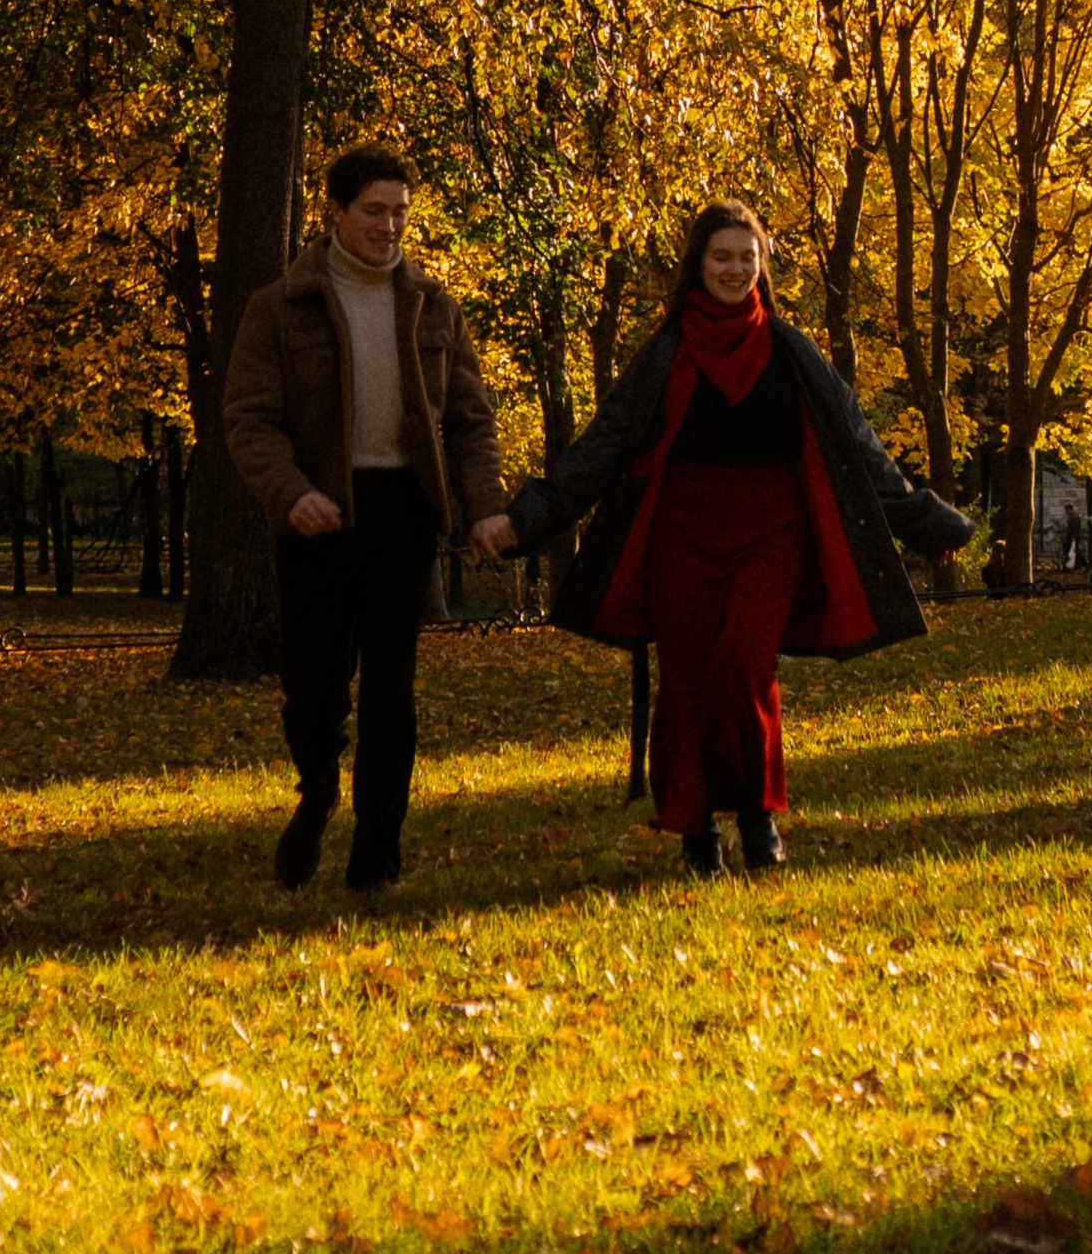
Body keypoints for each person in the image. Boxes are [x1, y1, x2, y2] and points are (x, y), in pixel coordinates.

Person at [475, 202, 970, 877]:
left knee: (744, 666)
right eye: (722, 258)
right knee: (688, 680)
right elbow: (605, 445)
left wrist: (925, 520)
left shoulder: (794, 355)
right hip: (680, 533)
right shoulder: (665, 354)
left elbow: (858, 450)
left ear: (763, 266)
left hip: (772, 531)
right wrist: (526, 519)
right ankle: (695, 824)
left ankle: (757, 813)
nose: (736, 270)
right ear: (697, 267)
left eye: (747, 257)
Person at [225, 147, 507, 893]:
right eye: (375, 211)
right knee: (314, 690)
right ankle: (317, 790)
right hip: (320, 515)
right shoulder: (279, 307)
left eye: (400, 213)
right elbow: (249, 420)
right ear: (337, 213)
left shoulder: (434, 306)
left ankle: (376, 853)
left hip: (403, 514)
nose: (390, 226)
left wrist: (484, 510)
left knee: (392, 688)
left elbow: (470, 422)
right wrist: (290, 494)